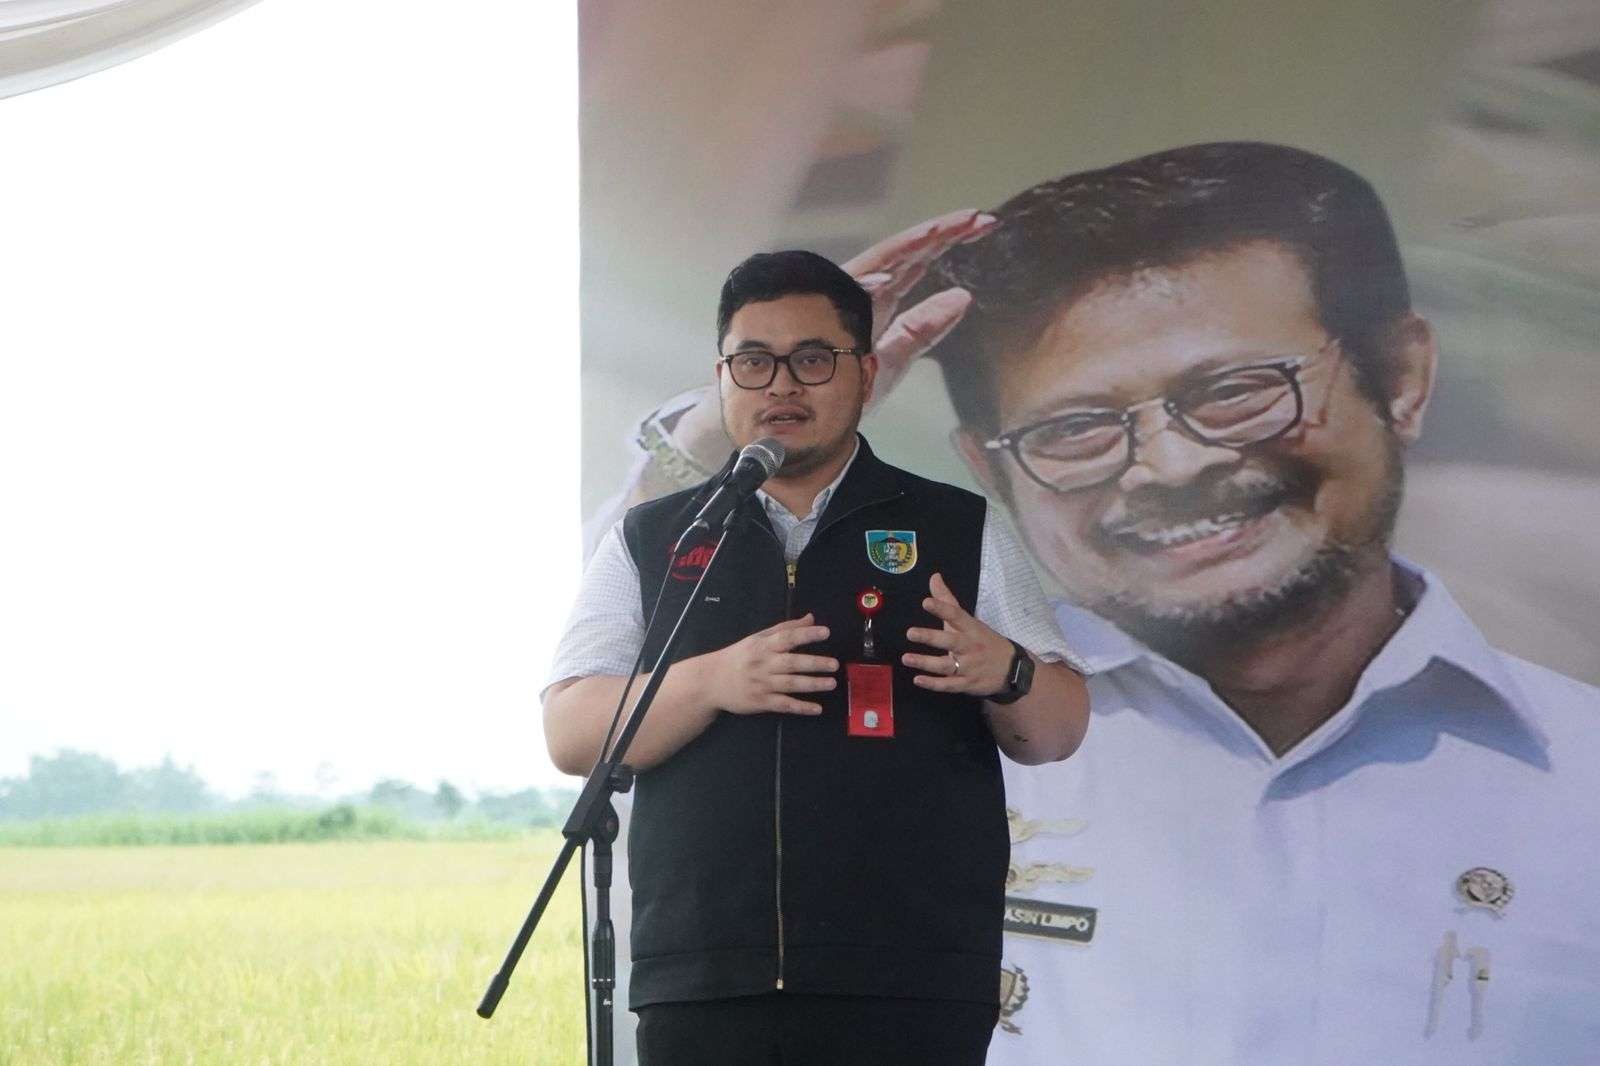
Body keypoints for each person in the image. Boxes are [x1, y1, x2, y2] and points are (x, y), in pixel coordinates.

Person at [614, 144, 1600, 1064]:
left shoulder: (1582, 774)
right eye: (1075, 429)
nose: (1170, 467)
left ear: (1403, 377)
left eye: (1236, 390)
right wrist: (746, 429)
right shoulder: (928, 720)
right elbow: (616, 630)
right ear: (987, 471)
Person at [543, 250, 1091, 1066]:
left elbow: (1055, 728)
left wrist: (1006, 669)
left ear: (866, 374)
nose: (781, 386)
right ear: (722, 376)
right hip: (705, 973)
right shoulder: (655, 538)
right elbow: (572, 732)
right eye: (754, 362)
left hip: (910, 977)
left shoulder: (958, 528)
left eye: (813, 359)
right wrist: (715, 681)